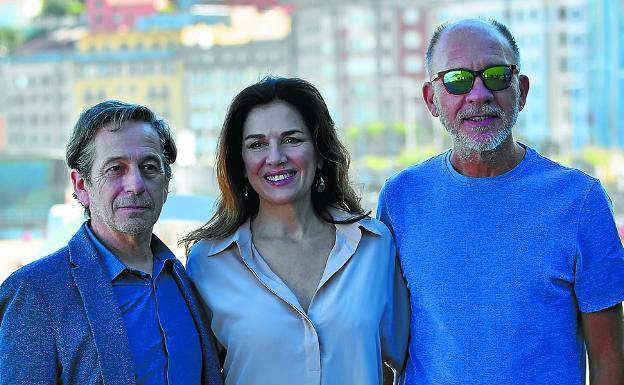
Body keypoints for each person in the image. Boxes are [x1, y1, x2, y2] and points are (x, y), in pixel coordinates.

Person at [377, 18, 624, 385]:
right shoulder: (400, 199)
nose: (479, 95)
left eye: (496, 75)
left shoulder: (581, 202)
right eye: (458, 80)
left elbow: (609, 362)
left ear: (521, 91)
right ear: (432, 99)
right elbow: (382, 350)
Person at [183, 76, 409, 385]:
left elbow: (403, 362)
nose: (275, 157)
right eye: (257, 144)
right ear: (241, 162)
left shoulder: (375, 245)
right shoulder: (207, 262)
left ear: (319, 152)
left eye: (292, 139)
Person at [0, 100, 223, 385]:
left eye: (150, 167)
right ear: (82, 187)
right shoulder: (35, 292)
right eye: (115, 168)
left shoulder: (187, 278)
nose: (136, 184)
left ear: (166, 185)